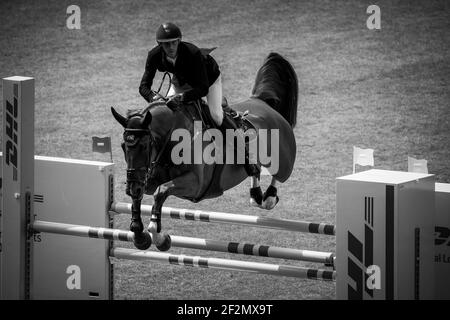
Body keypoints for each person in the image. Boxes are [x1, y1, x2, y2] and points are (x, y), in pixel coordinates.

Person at [139, 22, 260, 177]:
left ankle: (246, 159)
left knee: (216, 115)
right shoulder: (154, 55)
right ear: (159, 44)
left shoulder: (192, 53)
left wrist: (182, 98)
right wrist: (153, 97)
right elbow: (143, 86)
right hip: (180, 81)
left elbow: (202, 89)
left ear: (179, 41)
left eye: (173, 43)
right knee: (166, 113)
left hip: (208, 80)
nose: (170, 47)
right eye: (166, 44)